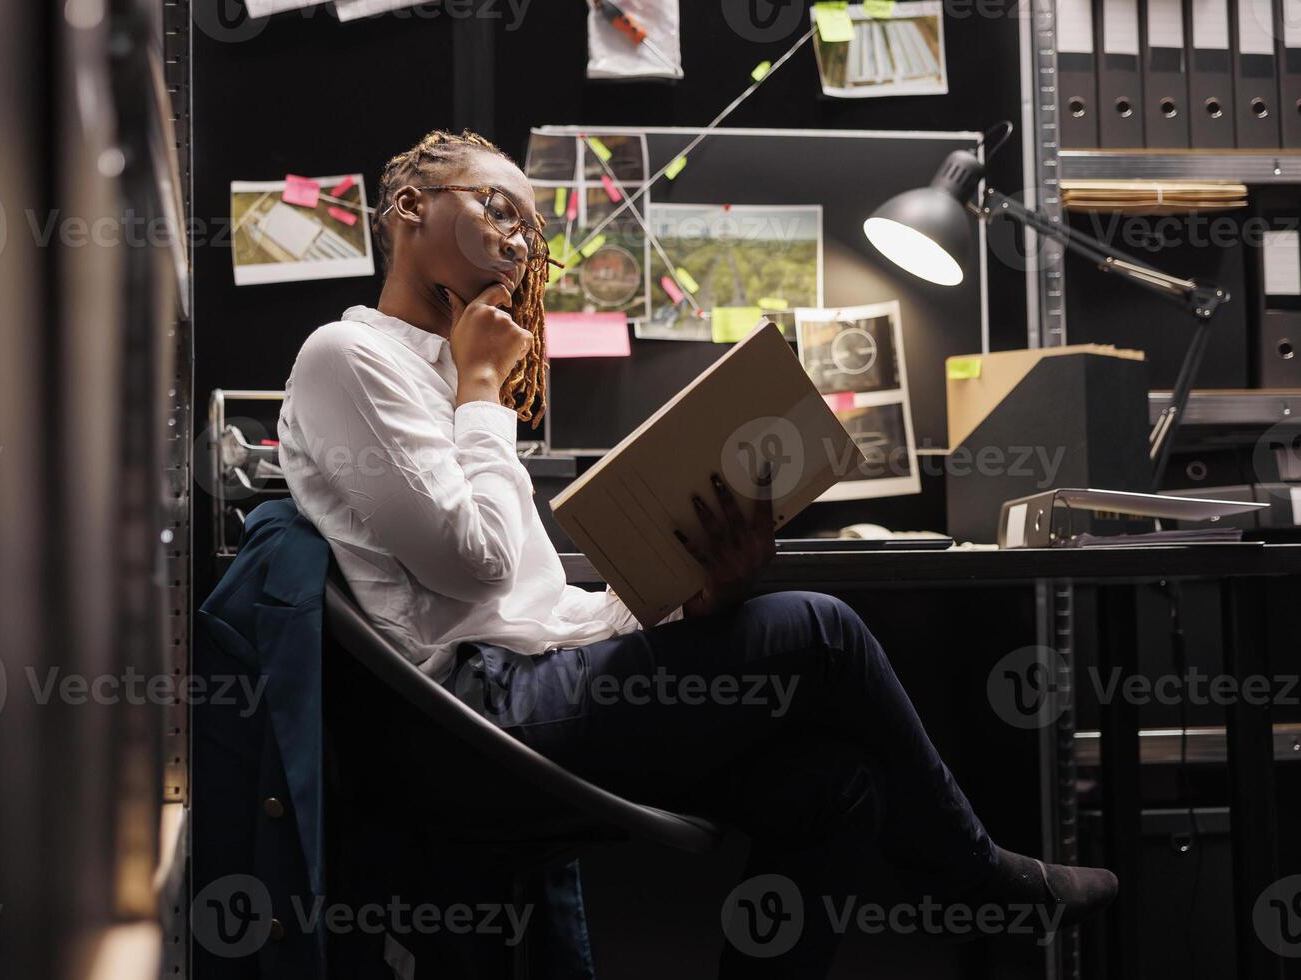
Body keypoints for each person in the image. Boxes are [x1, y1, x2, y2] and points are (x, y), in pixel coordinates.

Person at [277, 129, 1117, 976]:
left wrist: (694, 601)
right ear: (409, 211)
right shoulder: (350, 357)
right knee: (822, 629)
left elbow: (538, 609)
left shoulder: (448, 379)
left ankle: (961, 873)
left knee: (840, 785)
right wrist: (486, 392)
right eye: (496, 206)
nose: (519, 239)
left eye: (531, 228)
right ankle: (972, 877)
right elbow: (474, 564)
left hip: (529, 684)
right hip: (465, 722)